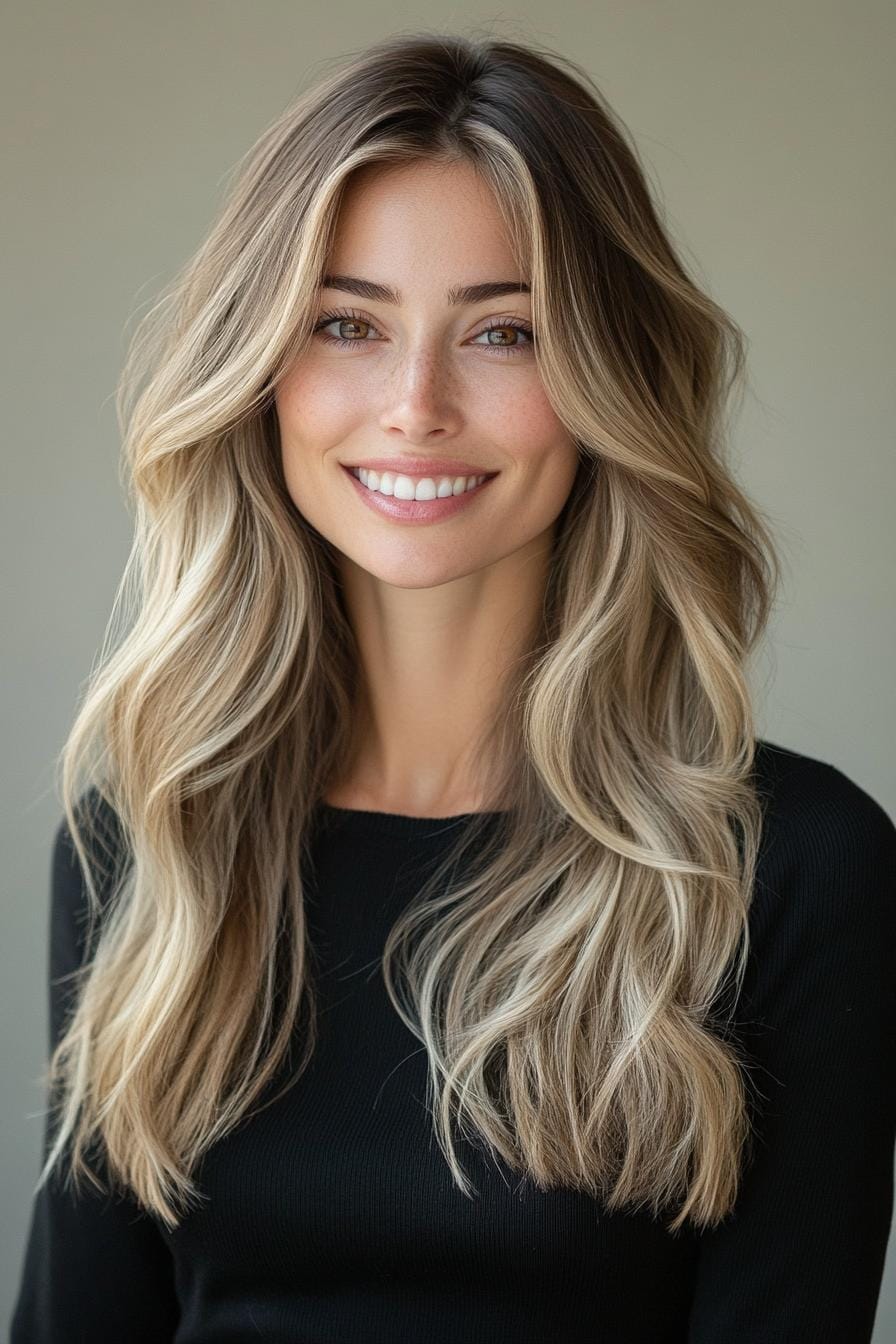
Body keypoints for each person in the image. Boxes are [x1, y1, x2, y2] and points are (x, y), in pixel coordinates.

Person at [10, 29, 896, 1344]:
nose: (415, 404)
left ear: (610, 381)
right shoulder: (150, 838)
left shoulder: (796, 868)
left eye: (504, 331)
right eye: (348, 324)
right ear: (259, 371)